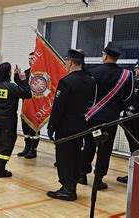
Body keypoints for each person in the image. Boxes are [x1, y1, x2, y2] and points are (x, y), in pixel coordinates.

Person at [80, 42, 134, 190]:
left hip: (92, 116)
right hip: (111, 119)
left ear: (105, 55)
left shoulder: (92, 72)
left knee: (89, 145)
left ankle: (82, 175)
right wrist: (116, 109)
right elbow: (128, 97)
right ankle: (98, 179)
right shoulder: (127, 75)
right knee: (105, 149)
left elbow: (86, 93)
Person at [46, 49, 95, 201]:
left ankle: (67, 189)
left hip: (65, 126)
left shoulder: (66, 82)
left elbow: (59, 107)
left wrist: (51, 126)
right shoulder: (91, 80)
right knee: (75, 156)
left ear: (72, 62)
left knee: (64, 158)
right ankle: (72, 185)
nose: (65, 63)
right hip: (82, 125)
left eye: (66, 60)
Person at [0, 62, 31, 177]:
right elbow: (27, 93)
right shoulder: (11, 87)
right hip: (8, 119)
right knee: (7, 142)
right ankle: (0, 170)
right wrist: (21, 79)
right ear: (8, 73)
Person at [16, 52, 40, 159]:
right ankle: (27, 147)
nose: (30, 60)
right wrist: (16, 75)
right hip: (26, 104)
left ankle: (33, 149)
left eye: (32, 58)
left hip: (36, 106)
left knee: (33, 129)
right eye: (29, 58)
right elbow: (21, 85)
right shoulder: (26, 72)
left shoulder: (40, 73)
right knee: (25, 128)